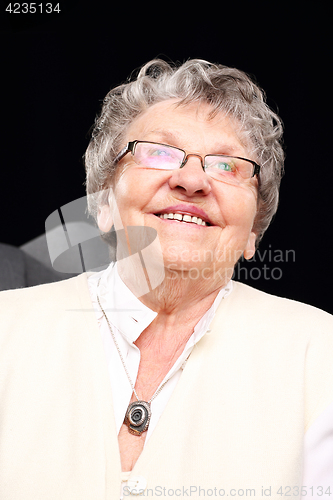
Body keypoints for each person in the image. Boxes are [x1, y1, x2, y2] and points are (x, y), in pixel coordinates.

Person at [0, 59, 332, 500]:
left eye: (228, 165)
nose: (192, 179)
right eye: (158, 152)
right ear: (103, 205)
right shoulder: (7, 328)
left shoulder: (320, 354)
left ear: (254, 229)